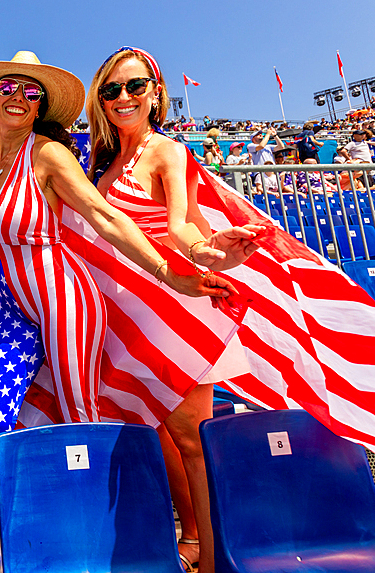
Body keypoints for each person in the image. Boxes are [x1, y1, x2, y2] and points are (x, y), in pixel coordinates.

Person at [0, 51, 249, 573]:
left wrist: (171, 274)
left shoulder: (49, 155)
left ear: (40, 107)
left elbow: (106, 217)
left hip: (65, 299)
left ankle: (102, 551)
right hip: (20, 311)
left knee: (80, 416)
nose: (17, 96)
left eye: (30, 91)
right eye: (6, 88)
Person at [87, 47, 264, 573]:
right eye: (111, 90)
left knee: (192, 440)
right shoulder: (104, 160)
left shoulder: (166, 151)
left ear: (156, 93)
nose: (124, 98)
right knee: (161, 432)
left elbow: (181, 227)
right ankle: (190, 539)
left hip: (171, 307)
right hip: (127, 313)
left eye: (135, 86)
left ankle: (213, 560)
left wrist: (210, 252)